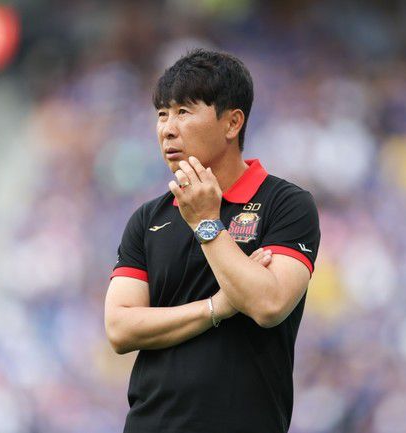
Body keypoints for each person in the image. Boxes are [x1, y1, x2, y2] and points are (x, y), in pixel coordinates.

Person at [104, 49, 320, 433]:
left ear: (232, 123)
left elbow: (268, 303)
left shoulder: (286, 204)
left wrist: (206, 223)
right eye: (162, 114)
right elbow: (120, 327)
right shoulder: (148, 219)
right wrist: (215, 307)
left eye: (183, 111)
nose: (168, 129)